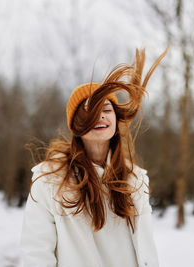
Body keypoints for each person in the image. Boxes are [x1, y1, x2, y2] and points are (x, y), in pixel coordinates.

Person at [20, 45, 169, 267]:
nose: (100, 116)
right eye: (88, 110)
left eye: (107, 109)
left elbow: (147, 253)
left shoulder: (135, 180)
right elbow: (36, 253)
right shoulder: (49, 179)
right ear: (75, 124)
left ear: (116, 119)